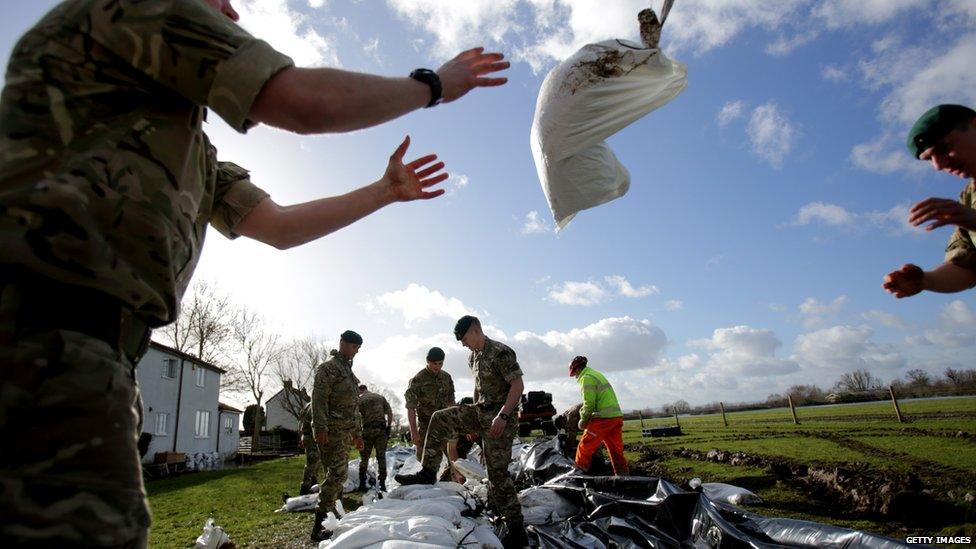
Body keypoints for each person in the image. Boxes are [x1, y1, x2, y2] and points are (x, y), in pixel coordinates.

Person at [0, 0, 508, 545]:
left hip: (103, 357)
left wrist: (383, 192)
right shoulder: (138, 7)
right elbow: (301, 101)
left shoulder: (192, 153)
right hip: (34, 332)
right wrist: (431, 84)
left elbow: (280, 227)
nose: (232, 12)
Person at [395, 316, 527, 548]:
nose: (464, 344)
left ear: (476, 331)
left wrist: (504, 415)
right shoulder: (473, 356)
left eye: (465, 339)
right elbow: (478, 389)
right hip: (481, 413)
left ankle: (517, 529)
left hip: (500, 419)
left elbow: (517, 386)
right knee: (440, 417)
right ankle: (428, 471)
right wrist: (473, 416)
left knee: (497, 474)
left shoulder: (500, 352)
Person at [884, 104, 976, 299]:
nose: (938, 165)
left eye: (944, 148)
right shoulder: (968, 198)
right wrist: (924, 280)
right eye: (929, 159)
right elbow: (966, 267)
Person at [310, 330, 365, 542]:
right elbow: (319, 400)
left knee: (338, 476)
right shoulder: (328, 369)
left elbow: (354, 408)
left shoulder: (348, 373)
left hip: (344, 432)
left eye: (358, 348)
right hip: (331, 431)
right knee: (336, 475)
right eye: (353, 347)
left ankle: (330, 520)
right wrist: (320, 428)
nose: (355, 351)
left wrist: (357, 434)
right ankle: (319, 525)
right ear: (342, 344)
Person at [569, 356, 629, 476]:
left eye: (575, 373)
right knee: (615, 450)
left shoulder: (586, 378)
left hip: (602, 418)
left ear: (577, 370)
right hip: (616, 417)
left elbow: (589, 403)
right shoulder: (596, 374)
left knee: (584, 447)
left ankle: (578, 476)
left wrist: (583, 420)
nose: (575, 376)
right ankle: (624, 477)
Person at [403, 347, 456, 470]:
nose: (437, 366)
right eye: (434, 363)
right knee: (424, 462)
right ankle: (423, 487)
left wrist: (454, 424)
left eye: (440, 363)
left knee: (452, 459)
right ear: (428, 361)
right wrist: (414, 432)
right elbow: (411, 408)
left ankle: (449, 483)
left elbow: (451, 402)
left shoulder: (446, 377)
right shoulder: (418, 380)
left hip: (444, 425)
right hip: (426, 426)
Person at [356, 384, 393, 492]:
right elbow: (390, 413)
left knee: (364, 458)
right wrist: (389, 427)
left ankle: (362, 483)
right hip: (381, 430)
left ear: (360, 390)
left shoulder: (359, 400)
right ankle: (382, 484)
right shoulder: (380, 397)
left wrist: (357, 433)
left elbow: (356, 417)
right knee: (381, 457)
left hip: (366, 431)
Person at [298, 401, 320, 495]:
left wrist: (301, 436)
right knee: (312, 461)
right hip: (311, 437)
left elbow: (300, 423)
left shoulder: (306, 406)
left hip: (307, 435)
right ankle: (305, 487)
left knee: (316, 461)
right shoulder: (316, 405)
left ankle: (313, 482)